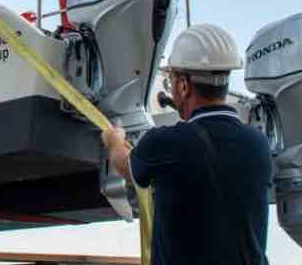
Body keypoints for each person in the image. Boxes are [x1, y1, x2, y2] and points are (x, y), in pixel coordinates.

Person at [101, 24, 273, 265]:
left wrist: (114, 141)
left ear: (183, 86)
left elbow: (125, 167)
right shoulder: (259, 144)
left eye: (171, 80)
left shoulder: (165, 143)